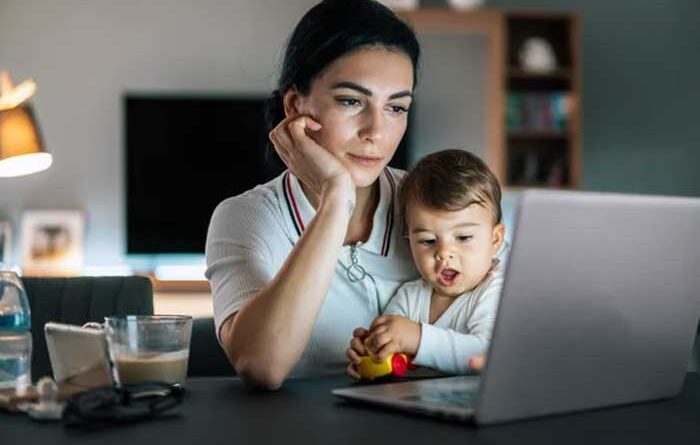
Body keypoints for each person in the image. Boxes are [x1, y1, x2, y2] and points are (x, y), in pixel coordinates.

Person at [205, 0, 421, 389]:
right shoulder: (244, 217)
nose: (376, 130)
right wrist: (336, 198)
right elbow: (261, 366)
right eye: (351, 101)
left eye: (397, 107)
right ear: (295, 105)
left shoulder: (429, 200)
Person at [346, 149, 507, 378]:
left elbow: (484, 354)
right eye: (428, 241)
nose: (443, 253)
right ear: (409, 242)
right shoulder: (410, 296)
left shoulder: (498, 290)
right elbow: (396, 346)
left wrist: (417, 338)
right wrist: (373, 354)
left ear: (495, 239)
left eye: (463, 238)